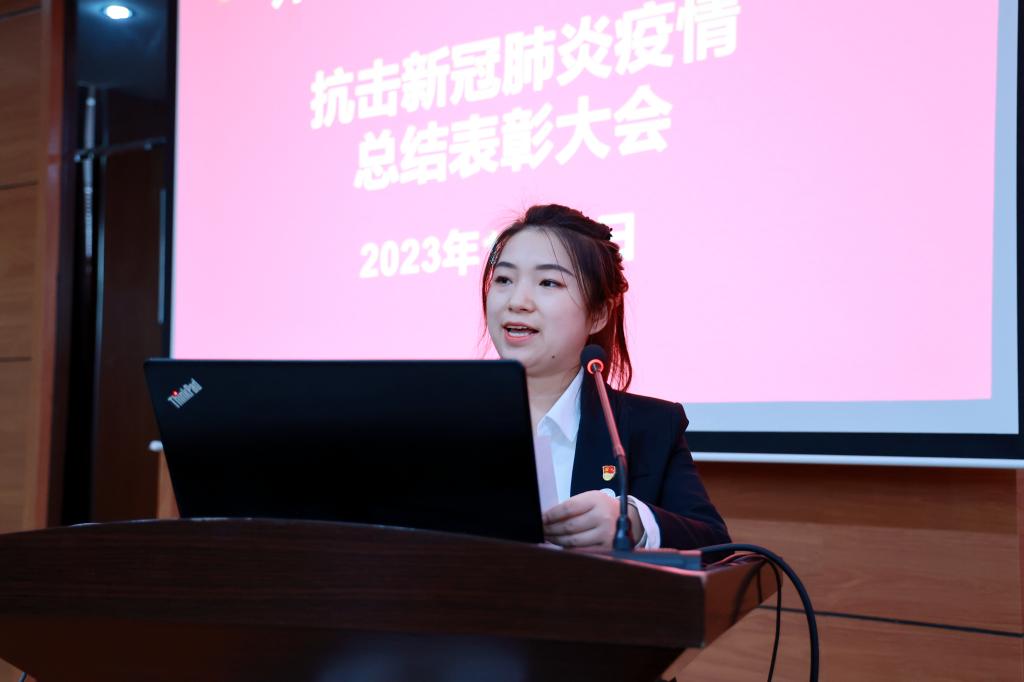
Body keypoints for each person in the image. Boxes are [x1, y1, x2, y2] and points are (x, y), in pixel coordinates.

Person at [481, 204, 730, 550]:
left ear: (598, 313)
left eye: (548, 282)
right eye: (504, 280)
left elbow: (715, 545)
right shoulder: (444, 419)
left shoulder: (649, 427)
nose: (517, 301)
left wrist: (633, 522)